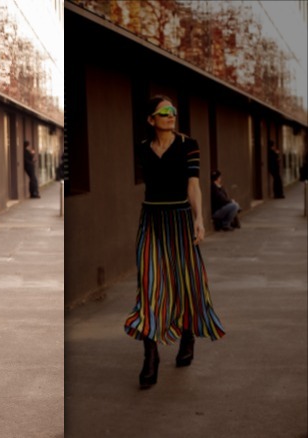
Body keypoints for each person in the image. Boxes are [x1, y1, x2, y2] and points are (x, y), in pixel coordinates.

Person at [123, 95, 225, 389]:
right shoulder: (142, 149)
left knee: (187, 281)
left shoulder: (188, 145)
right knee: (150, 284)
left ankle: (188, 336)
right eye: (164, 112)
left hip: (180, 220)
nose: (170, 116)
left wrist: (199, 219)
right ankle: (150, 355)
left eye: (173, 112)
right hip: (152, 221)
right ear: (151, 119)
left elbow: (193, 185)